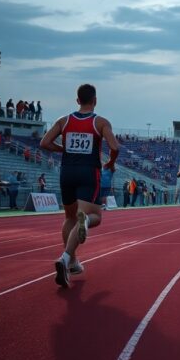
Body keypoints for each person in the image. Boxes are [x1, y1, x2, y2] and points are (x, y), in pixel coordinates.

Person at [40, 83, 119, 288]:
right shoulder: (100, 122)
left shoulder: (64, 121)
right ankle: (67, 256)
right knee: (95, 217)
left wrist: (63, 150)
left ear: (77, 101)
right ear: (95, 100)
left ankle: (73, 262)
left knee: (69, 217)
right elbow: (114, 146)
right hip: (88, 172)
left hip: (67, 172)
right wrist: (110, 162)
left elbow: (44, 143)